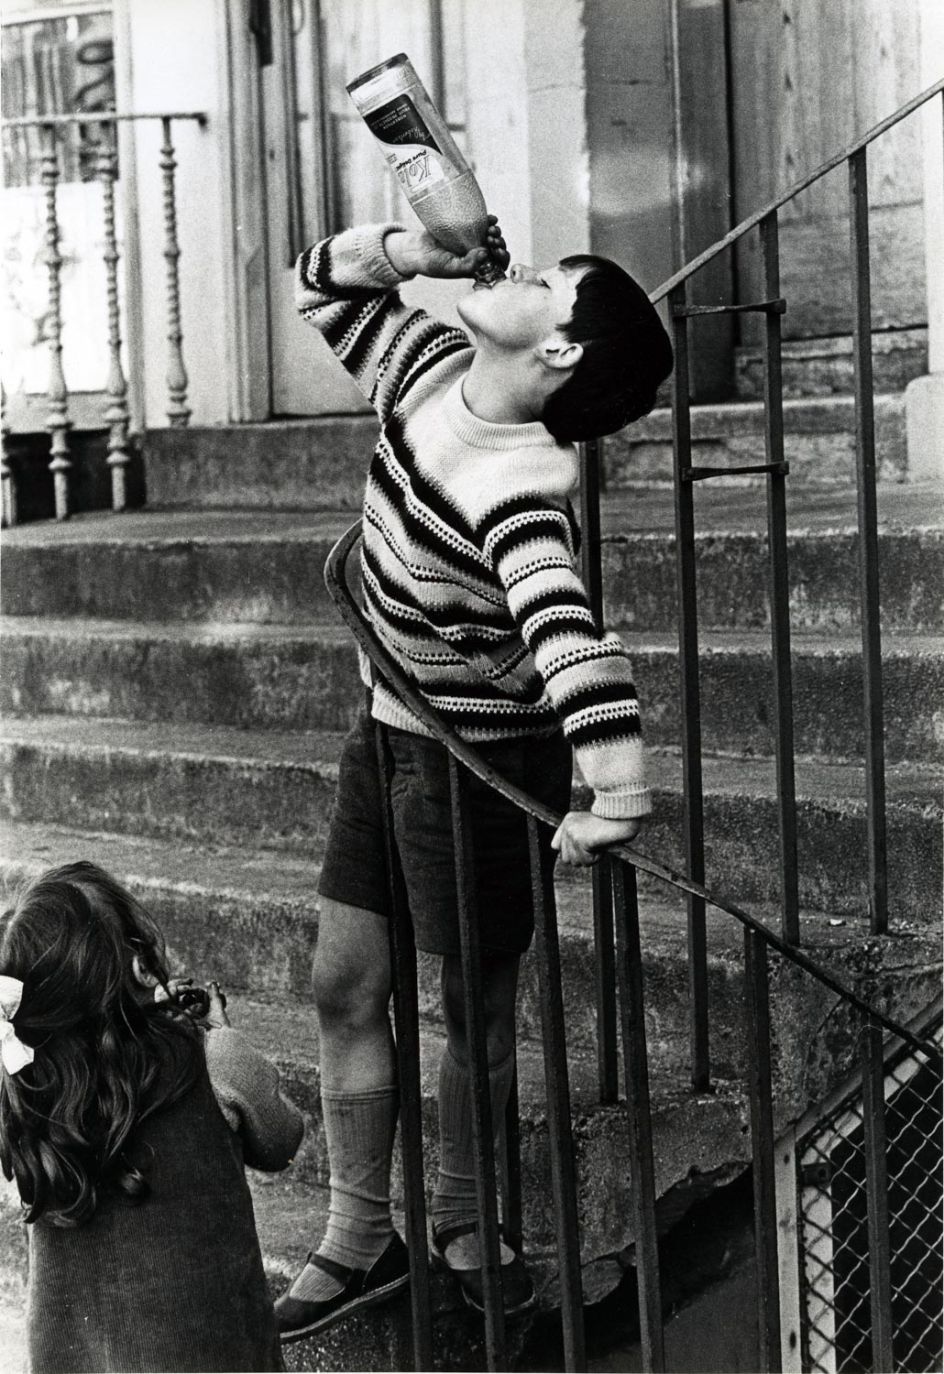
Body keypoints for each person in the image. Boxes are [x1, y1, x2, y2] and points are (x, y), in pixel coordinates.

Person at [274, 218, 673, 1340]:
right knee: (342, 983)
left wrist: (615, 800)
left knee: (473, 1007)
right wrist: (410, 248)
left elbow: (573, 644)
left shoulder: (521, 493)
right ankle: (361, 1234)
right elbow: (320, 288)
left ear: (557, 351)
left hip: (483, 762)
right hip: (389, 729)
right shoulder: (429, 370)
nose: (516, 268)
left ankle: (463, 1219)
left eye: (544, 281)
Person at [0, 861, 305, 1373]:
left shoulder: (24, 1088)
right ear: (140, 965)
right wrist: (223, 1036)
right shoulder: (212, 1059)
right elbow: (282, 1138)